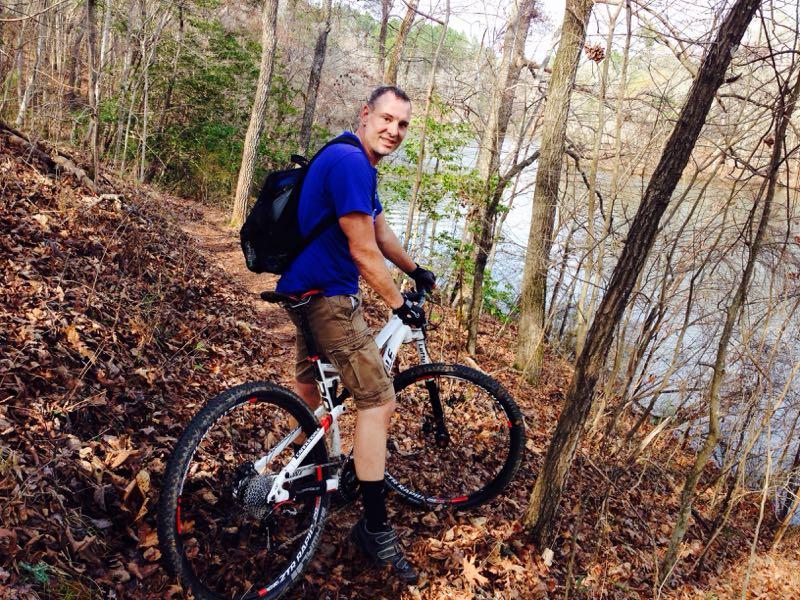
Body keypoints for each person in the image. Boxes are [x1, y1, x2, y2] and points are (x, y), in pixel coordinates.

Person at [275, 85, 437, 584]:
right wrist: (399, 304)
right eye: (387, 119)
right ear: (365, 115)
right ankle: (374, 528)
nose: (394, 130)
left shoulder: (348, 156)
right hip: (329, 298)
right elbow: (364, 252)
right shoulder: (353, 165)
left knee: (313, 391)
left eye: (403, 124)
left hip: (301, 290)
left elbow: (381, 234)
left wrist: (416, 271)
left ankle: (309, 480)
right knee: (377, 401)